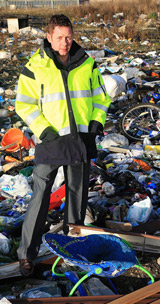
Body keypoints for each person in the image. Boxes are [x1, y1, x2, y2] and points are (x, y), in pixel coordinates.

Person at [15, 14, 111, 276]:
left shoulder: (87, 64)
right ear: (49, 37)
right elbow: (24, 104)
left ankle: (72, 249)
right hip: (51, 141)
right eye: (59, 37)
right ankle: (27, 254)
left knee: (77, 198)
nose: (65, 42)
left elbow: (101, 97)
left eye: (68, 37)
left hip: (81, 140)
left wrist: (96, 123)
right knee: (40, 197)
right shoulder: (35, 66)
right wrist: (43, 130)